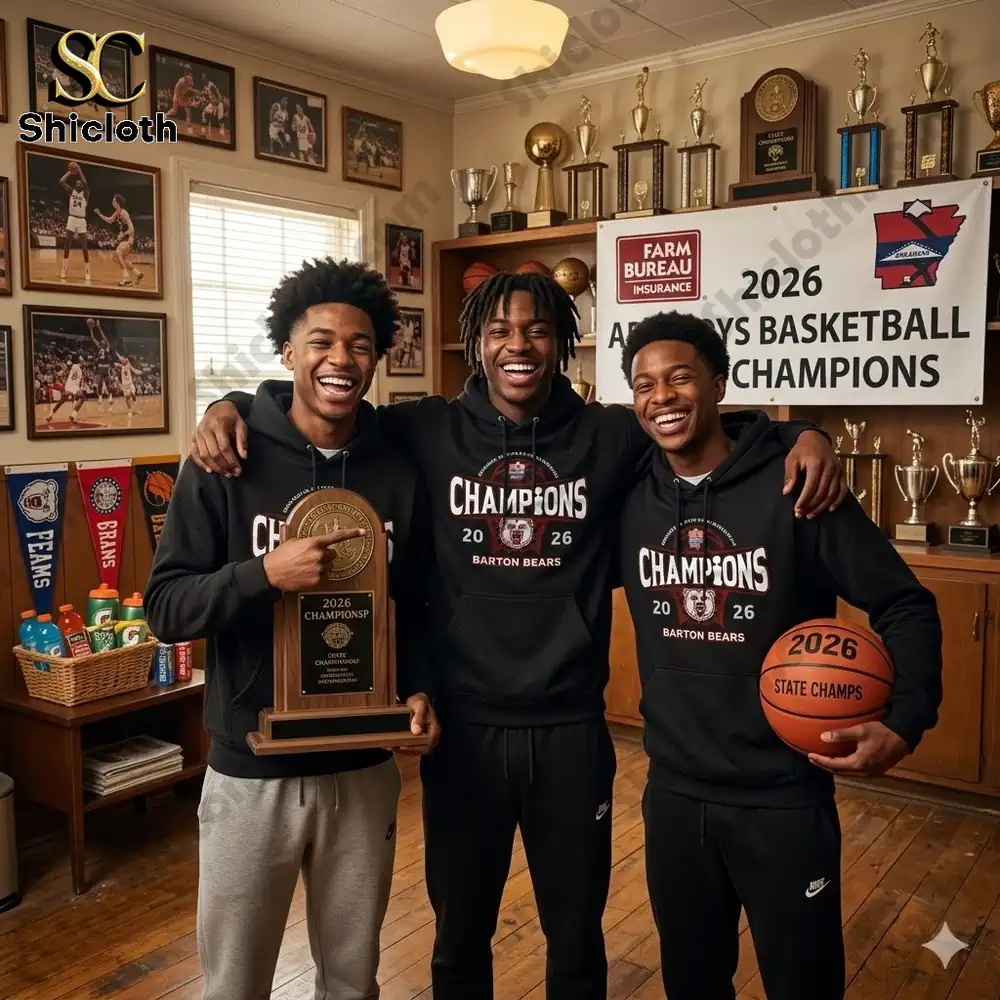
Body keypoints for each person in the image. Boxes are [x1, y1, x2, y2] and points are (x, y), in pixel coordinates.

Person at [186, 271, 848, 1000]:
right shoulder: (425, 429)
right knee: (458, 937)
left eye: (536, 328)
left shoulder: (610, 434)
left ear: (561, 342)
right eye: (499, 329)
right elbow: (320, 409)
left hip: (569, 730)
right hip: (464, 730)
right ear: (475, 343)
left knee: (576, 938)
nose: (518, 344)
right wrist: (230, 404)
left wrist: (804, 432)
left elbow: (701, 425)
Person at [616, 311, 943, 1000]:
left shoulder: (799, 489)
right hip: (673, 792)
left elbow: (905, 602)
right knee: (692, 985)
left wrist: (907, 719)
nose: (662, 398)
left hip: (783, 799)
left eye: (680, 378)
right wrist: (805, 430)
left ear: (719, 385)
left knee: (803, 986)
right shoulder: (629, 494)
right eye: (644, 386)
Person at [145, 257, 440, 1000]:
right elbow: (166, 607)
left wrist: (421, 690)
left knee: (351, 981)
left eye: (360, 344)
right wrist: (261, 576)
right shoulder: (225, 456)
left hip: (362, 765)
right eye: (320, 341)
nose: (341, 358)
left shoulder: (401, 464)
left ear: (377, 358)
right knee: (233, 985)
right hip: (251, 770)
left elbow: (421, 602)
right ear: (287, 350)